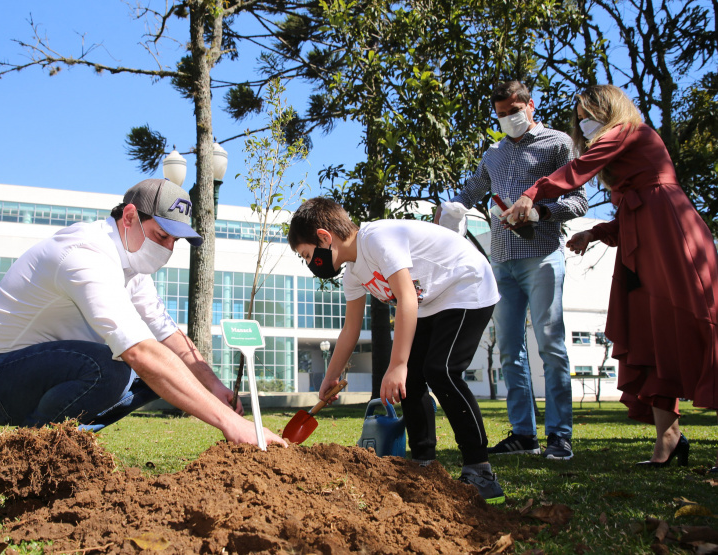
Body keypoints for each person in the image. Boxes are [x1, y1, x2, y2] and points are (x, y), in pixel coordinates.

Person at [0, 178, 286, 448]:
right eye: (162, 236)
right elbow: (141, 351)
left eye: (176, 241)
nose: (168, 250)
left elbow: (168, 334)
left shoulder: (133, 270)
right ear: (129, 217)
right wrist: (229, 423)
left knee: (155, 376)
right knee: (113, 367)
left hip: (39, 374)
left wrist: (213, 386)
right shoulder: (86, 253)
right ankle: (34, 446)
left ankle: (65, 443)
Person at [504, 84, 718, 469]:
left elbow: (577, 172)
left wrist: (532, 193)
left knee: (700, 323)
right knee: (648, 334)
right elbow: (633, 209)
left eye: (589, 115)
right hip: (641, 244)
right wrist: (596, 232)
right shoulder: (622, 154)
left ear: (609, 111)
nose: (583, 123)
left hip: (672, 236)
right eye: (579, 118)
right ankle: (668, 442)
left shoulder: (628, 131)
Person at [288, 197, 506, 505]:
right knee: (412, 383)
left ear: (325, 237)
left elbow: (406, 298)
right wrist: (331, 376)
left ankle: (480, 470)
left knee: (440, 370)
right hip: (432, 301)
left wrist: (398, 363)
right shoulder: (353, 273)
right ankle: (423, 463)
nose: (311, 263)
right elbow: (350, 330)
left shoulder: (376, 239)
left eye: (308, 255)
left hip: (467, 283)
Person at [437, 80, 588, 460]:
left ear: (530, 105)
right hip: (501, 261)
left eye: (513, 111)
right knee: (509, 351)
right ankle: (524, 434)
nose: (508, 119)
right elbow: (471, 190)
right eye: (501, 114)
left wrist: (541, 211)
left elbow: (579, 201)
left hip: (542, 255)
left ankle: (559, 436)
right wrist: (452, 207)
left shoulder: (557, 144)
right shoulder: (494, 154)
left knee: (550, 346)